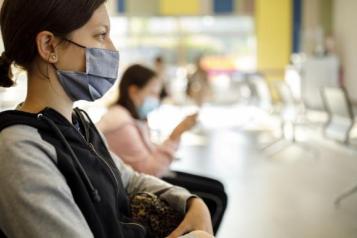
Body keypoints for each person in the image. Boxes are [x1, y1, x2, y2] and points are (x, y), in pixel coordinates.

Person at [0, 1, 214, 238]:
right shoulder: (19, 148)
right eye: (101, 35)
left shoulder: (80, 125)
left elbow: (129, 180)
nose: (112, 49)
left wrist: (191, 202)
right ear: (49, 45)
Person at [97, 64, 227, 234]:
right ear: (134, 91)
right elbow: (149, 171)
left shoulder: (132, 117)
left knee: (217, 186)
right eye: (152, 93)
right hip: (140, 186)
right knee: (215, 198)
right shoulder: (120, 124)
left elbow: (148, 156)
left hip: (150, 176)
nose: (157, 99)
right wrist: (177, 133)